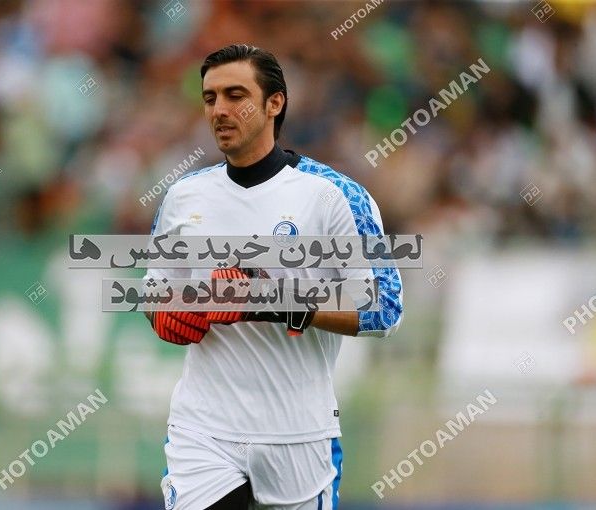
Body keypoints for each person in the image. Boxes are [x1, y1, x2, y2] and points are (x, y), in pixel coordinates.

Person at [145, 44, 403, 510]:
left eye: (235, 95)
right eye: (210, 98)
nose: (219, 110)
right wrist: (176, 309)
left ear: (274, 103)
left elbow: (385, 308)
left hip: (298, 434)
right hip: (203, 430)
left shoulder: (335, 196)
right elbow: (155, 295)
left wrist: (275, 301)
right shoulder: (183, 196)